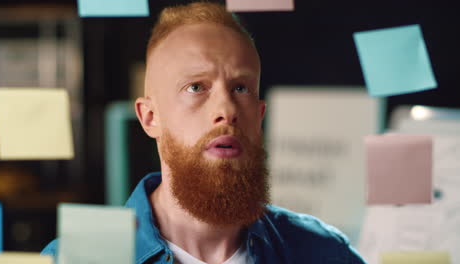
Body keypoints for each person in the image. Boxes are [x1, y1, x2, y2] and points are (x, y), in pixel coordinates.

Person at [42, 2, 366, 263]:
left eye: (240, 88)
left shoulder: (322, 253)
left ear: (259, 115)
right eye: (196, 87)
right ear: (150, 117)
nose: (226, 110)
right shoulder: (75, 259)